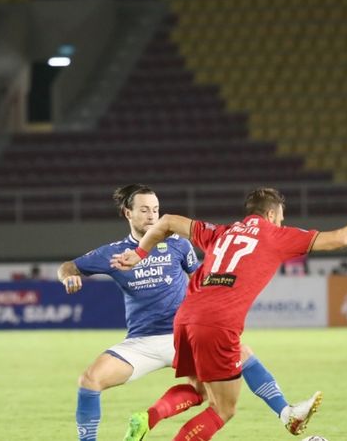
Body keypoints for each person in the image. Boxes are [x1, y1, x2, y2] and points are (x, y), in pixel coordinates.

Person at [57, 184, 318, 441]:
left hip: (184, 336)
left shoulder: (178, 245)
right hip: (141, 341)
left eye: (156, 210)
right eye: (145, 210)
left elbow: (203, 281)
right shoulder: (113, 252)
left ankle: (285, 411)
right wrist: (69, 277)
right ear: (128, 213)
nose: (152, 216)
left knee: (233, 365)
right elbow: (69, 266)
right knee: (89, 381)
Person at [112, 187, 347, 441]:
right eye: (280, 219)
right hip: (217, 323)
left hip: (186, 317)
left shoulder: (221, 232)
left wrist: (138, 254)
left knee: (211, 380)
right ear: (271, 215)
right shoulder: (274, 235)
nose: (281, 224)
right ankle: (287, 414)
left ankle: (285, 413)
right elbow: (341, 239)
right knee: (223, 409)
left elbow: (167, 220)